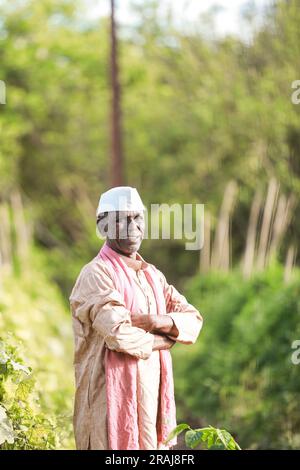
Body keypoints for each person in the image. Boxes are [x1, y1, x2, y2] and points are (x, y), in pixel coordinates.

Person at [69, 186, 203, 450]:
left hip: (150, 402)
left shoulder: (152, 275)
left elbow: (192, 319)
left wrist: (156, 321)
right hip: (107, 403)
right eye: (121, 219)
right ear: (103, 226)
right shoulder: (96, 274)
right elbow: (119, 334)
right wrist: (162, 340)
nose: (132, 226)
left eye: (137, 218)